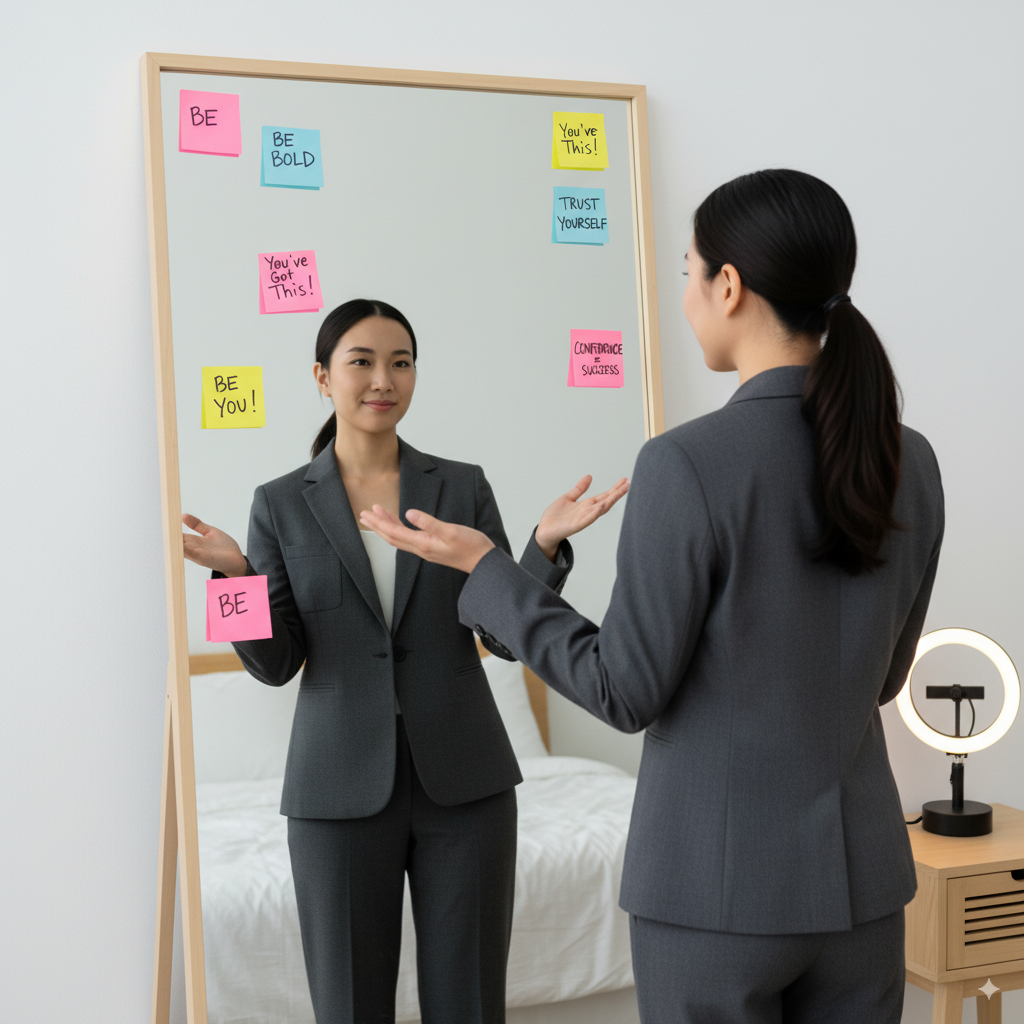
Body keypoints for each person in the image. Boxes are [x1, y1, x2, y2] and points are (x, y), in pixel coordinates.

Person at [360, 171, 945, 1024]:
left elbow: (622, 690)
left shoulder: (688, 462)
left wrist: (491, 571)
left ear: (730, 286)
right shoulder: (912, 458)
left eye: (688, 271)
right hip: (862, 892)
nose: (686, 295)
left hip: (714, 896)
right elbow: (885, 677)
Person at [181, 298, 628, 1024]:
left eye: (401, 361)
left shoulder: (461, 486)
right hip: (335, 792)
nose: (382, 378)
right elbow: (274, 665)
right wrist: (233, 579)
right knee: (351, 1006)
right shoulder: (278, 505)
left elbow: (503, 641)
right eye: (361, 361)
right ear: (323, 377)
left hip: (468, 782)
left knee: (471, 1003)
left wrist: (541, 551)